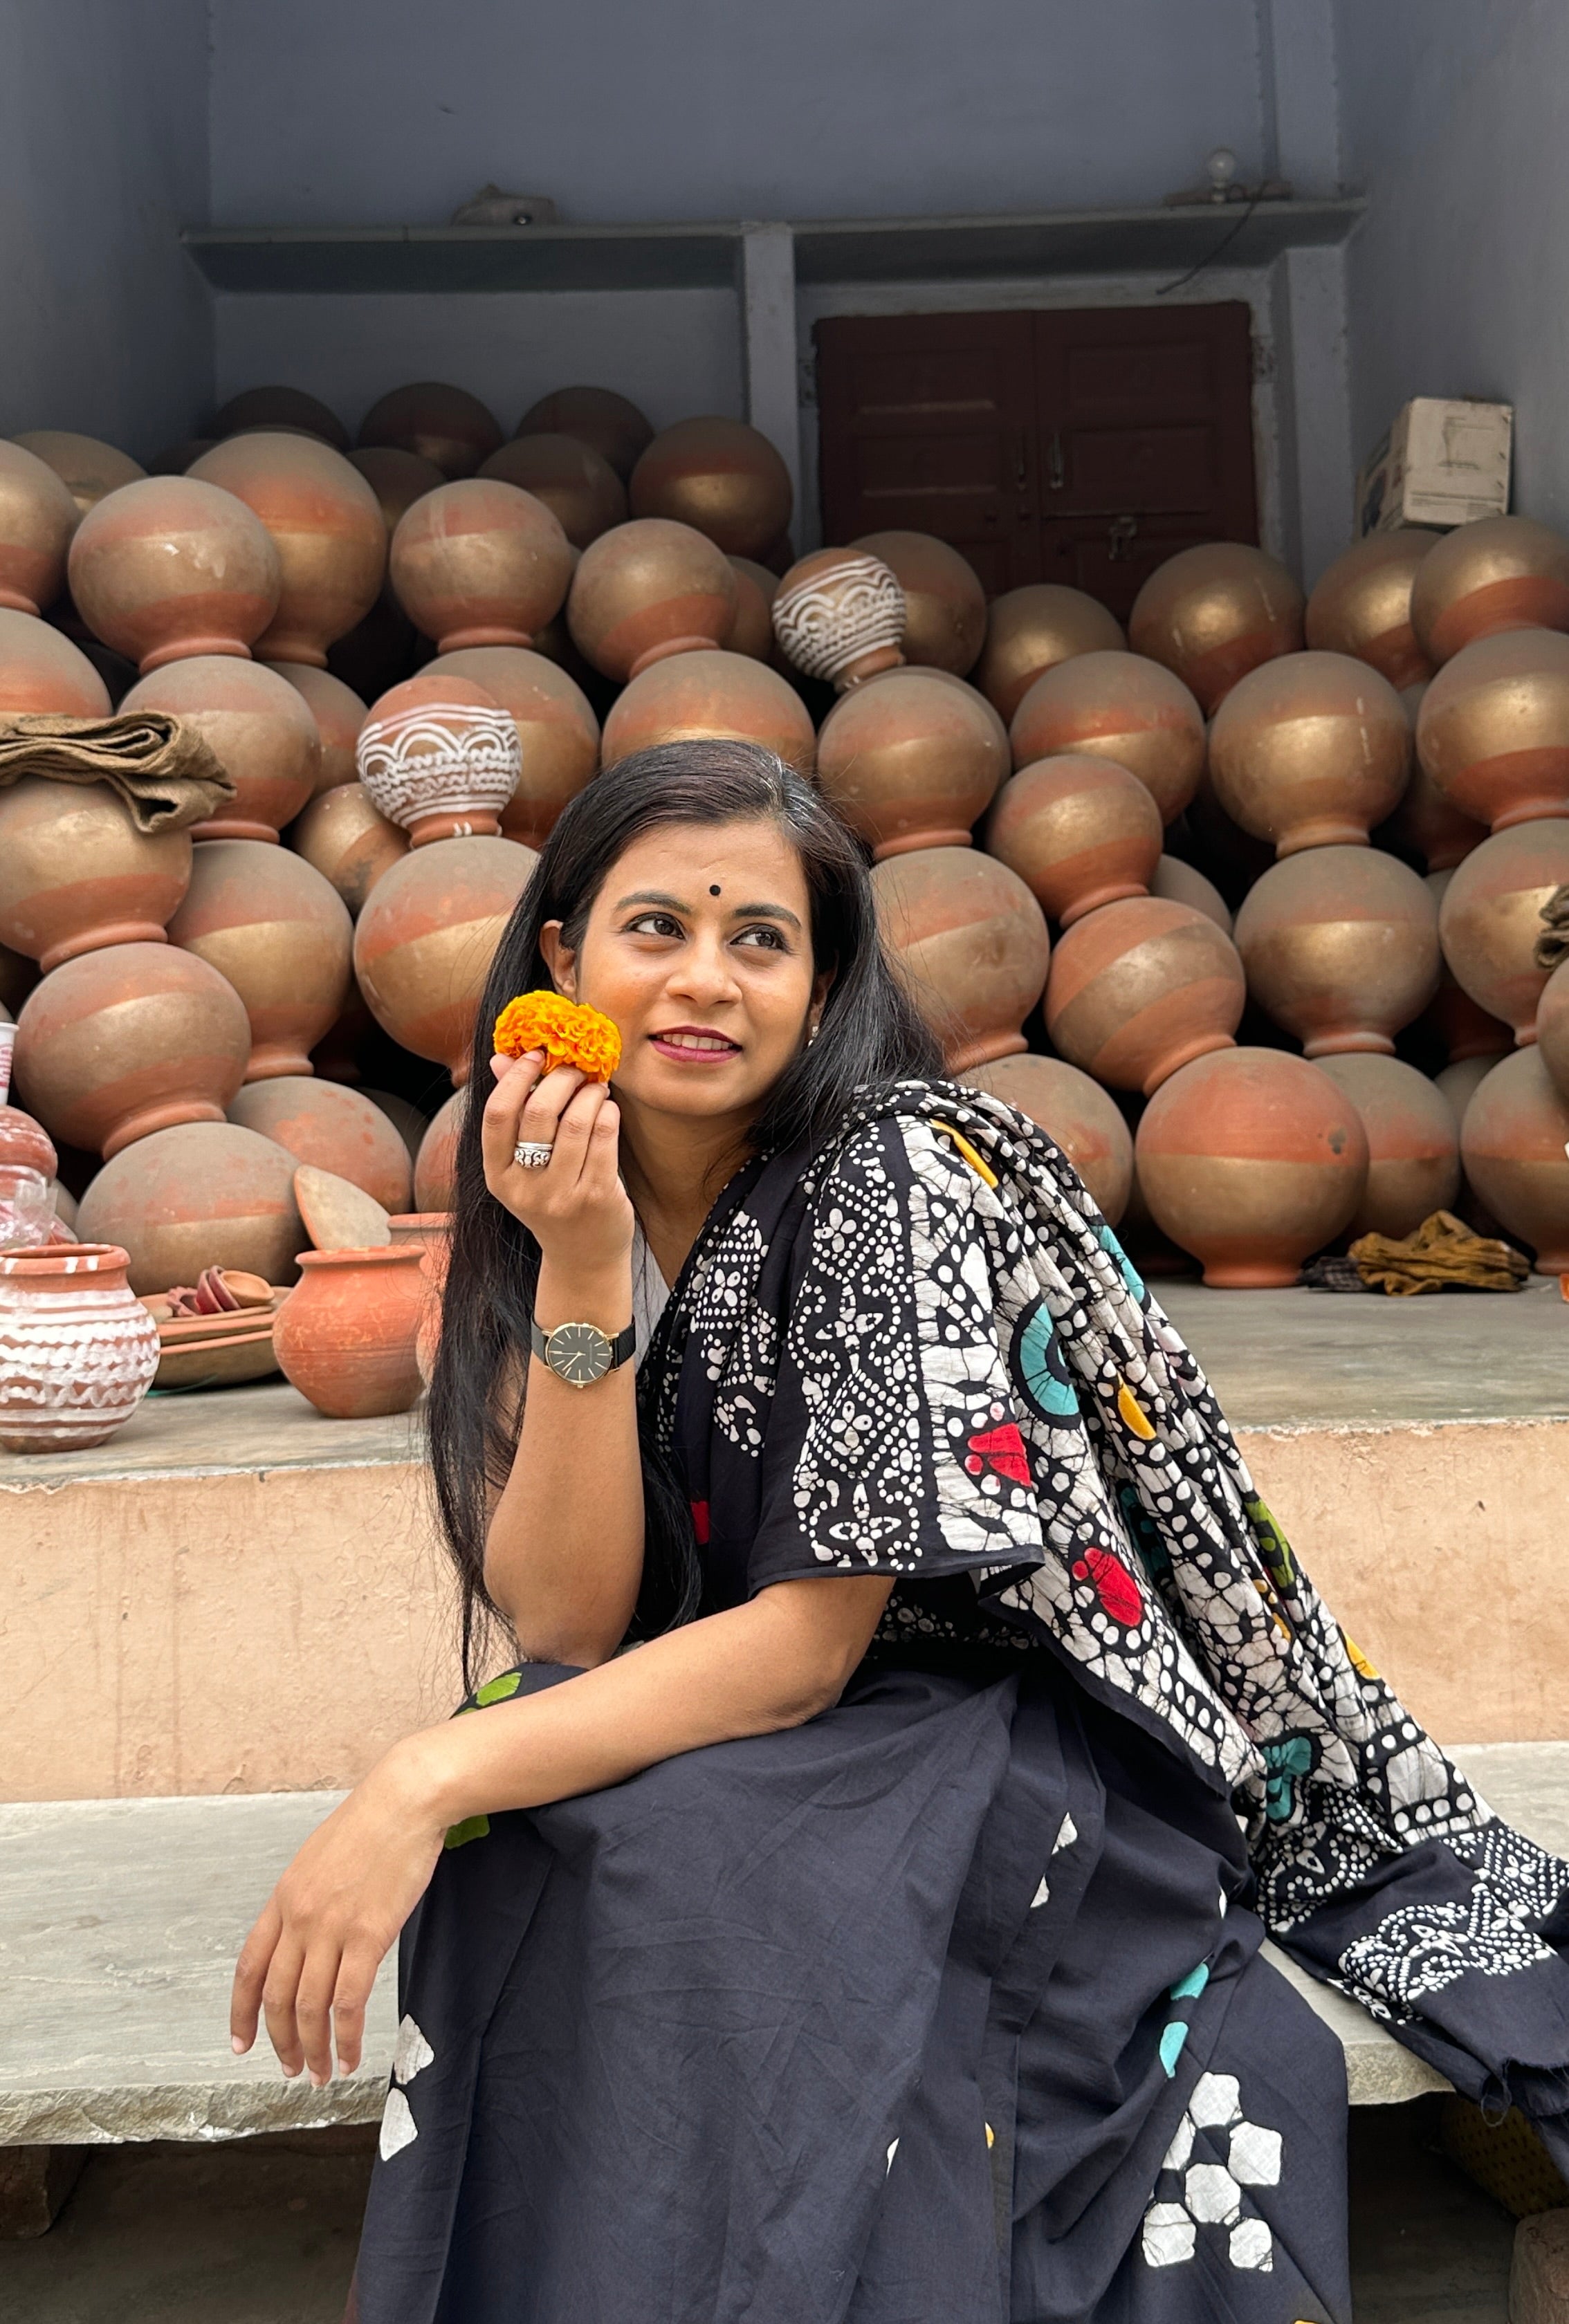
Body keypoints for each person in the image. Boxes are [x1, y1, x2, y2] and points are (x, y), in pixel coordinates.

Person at [232, 741, 1569, 2324]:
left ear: (822, 980)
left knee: (626, 1850)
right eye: (656, 928)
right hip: (777, 1717)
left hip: (1000, 1723)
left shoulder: (896, 1170)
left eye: (761, 940)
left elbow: (809, 1648)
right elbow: (569, 1628)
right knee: (532, 1843)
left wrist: (416, 1771)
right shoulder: (545, 1191)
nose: (706, 981)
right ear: (560, 961)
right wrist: (583, 1265)